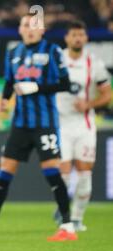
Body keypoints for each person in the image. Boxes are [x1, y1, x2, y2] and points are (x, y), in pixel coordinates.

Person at [0, 13, 77, 242]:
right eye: (25, 25)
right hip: (20, 125)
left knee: (52, 174)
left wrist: (36, 87)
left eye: (34, 25)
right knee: (4, 173)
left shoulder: (52, 51)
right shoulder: (13, 54)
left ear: (42, 30)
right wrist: (4, 99)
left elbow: (65, 84)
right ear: (20, 30)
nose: (30, 29)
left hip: (45, 124)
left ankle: (68, 228)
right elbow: (10, 83)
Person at [54, 21, 112, 231]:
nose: (78, 38)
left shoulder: (93, 63)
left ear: (86, 38)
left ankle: (77, 218)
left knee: (85, 172)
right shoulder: (56, 59)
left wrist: (89, 104)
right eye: (74, 35)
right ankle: (64, 211)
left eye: (81, 34)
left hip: (84, 124)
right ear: (67, 38)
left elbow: (107, 94)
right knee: (63, 174)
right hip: (60, 124)